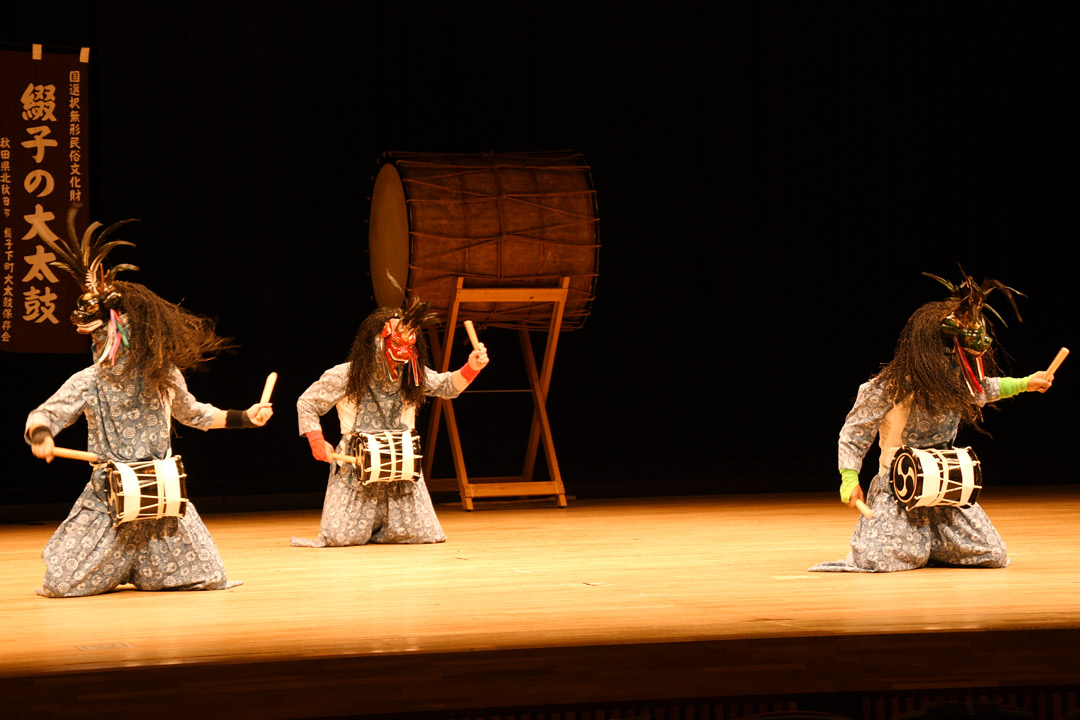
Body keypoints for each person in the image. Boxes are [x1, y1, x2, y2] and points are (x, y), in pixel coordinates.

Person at [25, 212, 272, 597]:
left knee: (206, 578)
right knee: (62, 585)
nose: (97, 344)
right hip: (109, 498)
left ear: (126, 330)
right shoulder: (88, 382)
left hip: (162, 496)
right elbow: (44, 414)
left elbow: (195, 413)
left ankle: (144, 569)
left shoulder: (164, 375)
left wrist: (245, 418)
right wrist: (41, 434)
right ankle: (114, 565)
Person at [810, 271, 1055, 573]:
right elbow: (855, 431)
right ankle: (915, 541)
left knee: (991, 554)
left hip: (943, 487)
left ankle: (930, 543)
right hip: (899, 488)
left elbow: (984, 387)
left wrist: (1026, 383)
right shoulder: (890, 386)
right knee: (882, 559)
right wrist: (849, 479)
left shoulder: (956, 380)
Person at [293, 298, 489, 547]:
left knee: (423, 534)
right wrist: (316, 441)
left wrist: (472, 367)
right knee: (340, 537)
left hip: (402, 467)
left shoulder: (413, 375)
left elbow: (447, 386)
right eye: (396, 343)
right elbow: (307, 403)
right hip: (358, 465)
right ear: (376, 340)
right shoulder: (346, 375)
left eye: (410, 343)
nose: (402, 352)